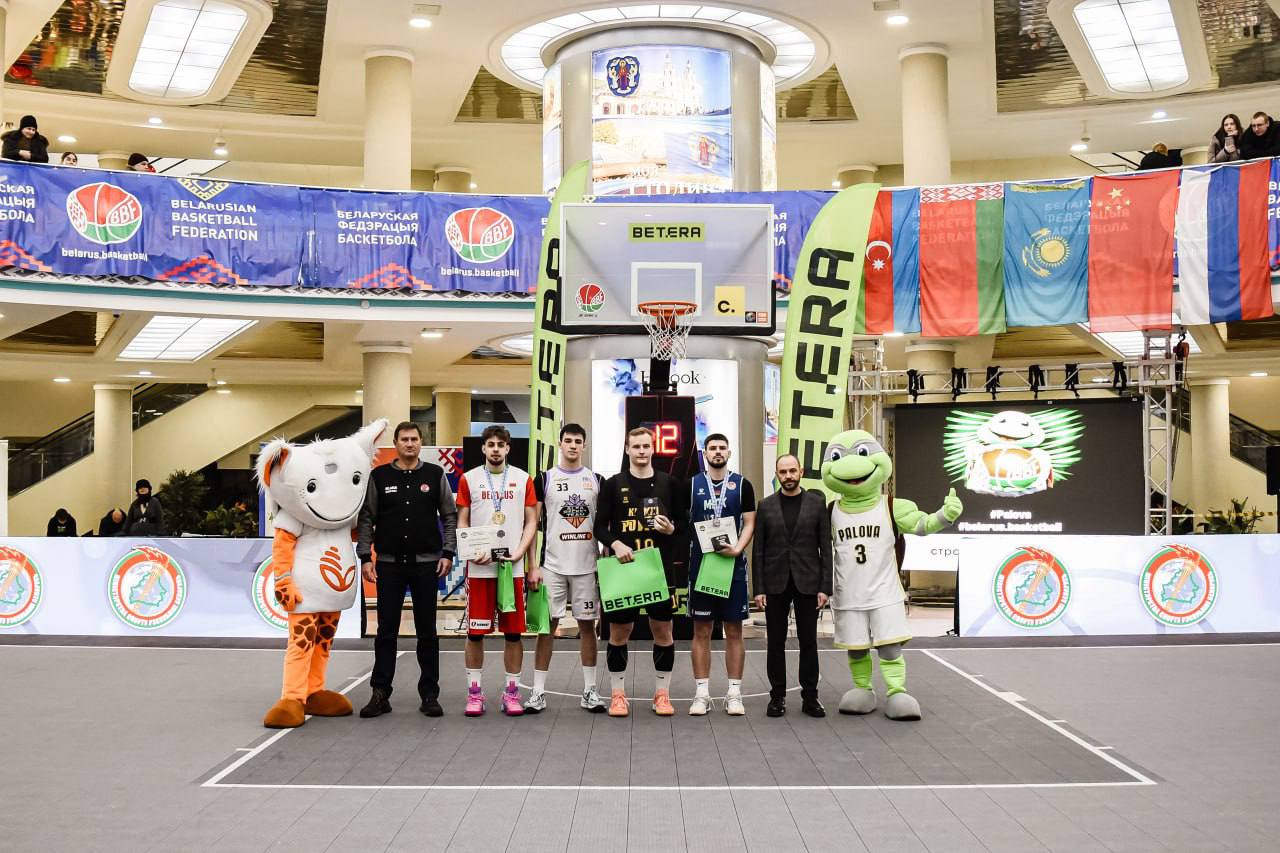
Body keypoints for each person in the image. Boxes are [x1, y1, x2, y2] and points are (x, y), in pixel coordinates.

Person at [357, 421, 457, 719]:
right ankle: (380, 693)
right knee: (385, 632)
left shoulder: (435, 475)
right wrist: (365, 556)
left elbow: (449, 516)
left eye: (414, 439)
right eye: (404, 439)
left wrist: (448, 552)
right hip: (389, 565)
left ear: (421, 442)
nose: (410, 444)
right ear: (396, 444)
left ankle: (429, 695)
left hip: (427, 565)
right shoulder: (379, 476)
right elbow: (366, 518)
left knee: (427, 632)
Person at [593, 427, 687, 718]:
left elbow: (684, 524)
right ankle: (618, 695)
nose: (642, 451)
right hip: (625, 570)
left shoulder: (669, 483)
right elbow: (599, 527)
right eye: (636, 446)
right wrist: (615, 543)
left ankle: (662, 694)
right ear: (627, 450)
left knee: (663, 631)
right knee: (620, 632)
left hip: (658, 570)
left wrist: (671, 529)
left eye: (646, 446)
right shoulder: (613, 484)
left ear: (653, 449)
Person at [456, 425, 538, 717]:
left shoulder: (523, 479)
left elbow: (531, 522)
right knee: (475, 633)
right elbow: (462, 520)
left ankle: (511, 693)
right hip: (480, 570)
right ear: (483, 448)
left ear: (508, 448)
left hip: (511, 569)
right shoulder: (468, 479)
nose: (495, 449)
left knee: (513, 634)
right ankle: (474, 693)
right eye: (490, 444)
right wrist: (470, 551)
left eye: (500, 445)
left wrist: (521, 554)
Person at [524, 424, 607, 713]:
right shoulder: (544, 479)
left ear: (584, 445)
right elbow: (532, 525)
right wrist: (533, 565)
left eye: (577, 441)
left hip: (586, 567)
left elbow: (605, 524)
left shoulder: (596, 480)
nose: (572, 445)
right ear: (560, 443)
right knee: (546, 628)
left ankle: (590, 690)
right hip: (552, 567)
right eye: (568, 440)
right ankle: (537, 692)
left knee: (588, 627)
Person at [752, 454, 832, 718]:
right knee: (775, 642)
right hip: (774, 583)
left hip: (808, 582)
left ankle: (810, 698)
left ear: (801, 472)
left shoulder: (817, 504)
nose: (788, 476)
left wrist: (825, 587)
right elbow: (758, 551)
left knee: (809, 642)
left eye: (792, 471)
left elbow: (826, 548)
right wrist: (758, 588)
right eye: (783, 472)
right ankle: (777, 697)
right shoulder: (765, 506)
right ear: (777, 475)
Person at [687, 433, 756, 716]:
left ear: (729, 452)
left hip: (732, 567)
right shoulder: (693, 484)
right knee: (701, 630)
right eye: (712, 448)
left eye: (722, 448)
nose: (717, 452)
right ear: (705, 453)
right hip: (702, 567)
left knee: (734, 630)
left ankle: (734, 693)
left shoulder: (742, 485)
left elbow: (750, 522)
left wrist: (738, 548)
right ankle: (702, 694)